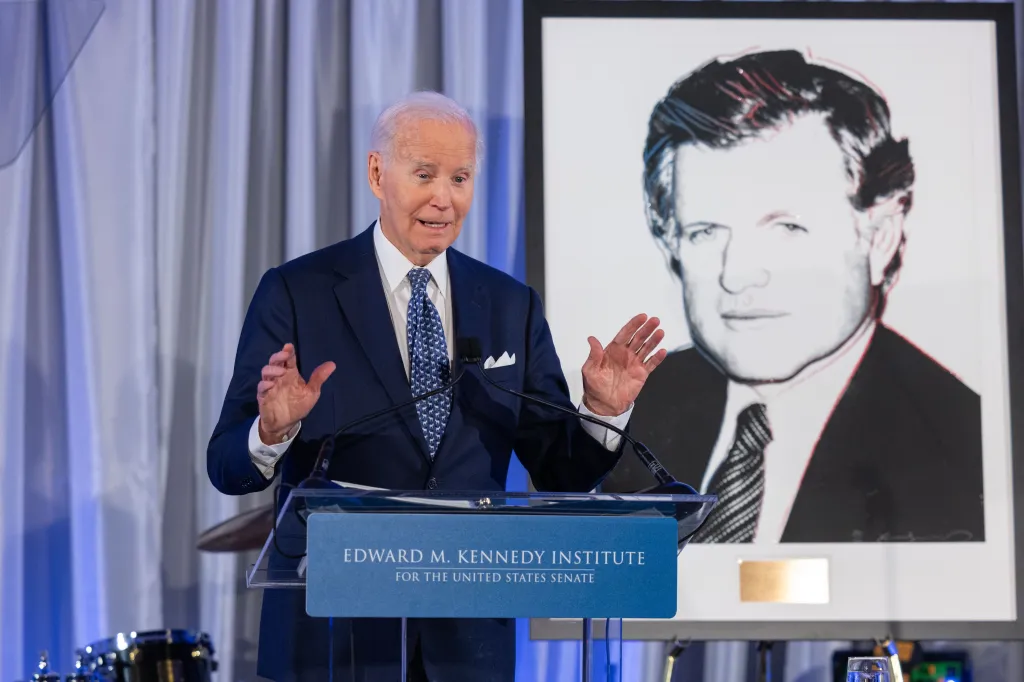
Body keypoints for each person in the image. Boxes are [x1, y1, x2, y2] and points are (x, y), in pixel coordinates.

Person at [206, 91, 667, 682]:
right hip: (333, 636)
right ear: (378, 173)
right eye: (424, 174)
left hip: (467, 644)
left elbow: (561, 472)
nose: (444, 199)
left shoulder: (508, 305)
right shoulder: (298, 292)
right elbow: (227, 465)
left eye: (460, 177)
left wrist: (601, 412)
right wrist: (272, 429)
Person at [600, 50, 984, 544]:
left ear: (880, 236)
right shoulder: (643, 404)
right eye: (704, 232)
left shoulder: (962, 446)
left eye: (787, 227)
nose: (737, 275)